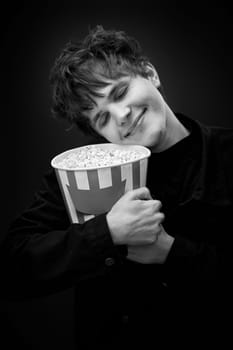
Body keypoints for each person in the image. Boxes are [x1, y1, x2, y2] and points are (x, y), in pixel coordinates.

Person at [1, 25, 233, 349]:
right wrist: (107, 232)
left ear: (150, 74)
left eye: (120, 93)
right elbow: (12, 267)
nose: (121, 116)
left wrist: (171, 252)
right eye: (101, 118)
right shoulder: (79, 175)